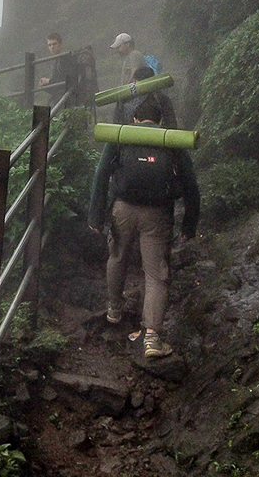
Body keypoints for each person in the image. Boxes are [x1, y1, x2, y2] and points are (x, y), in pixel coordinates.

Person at [88, 97, 200, 359]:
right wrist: (189, 224)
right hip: (158, 214)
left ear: (135, 119)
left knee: (117, 257)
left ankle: (114, 311)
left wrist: (96, 216)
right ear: (160, 120)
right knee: (155, 274)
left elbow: (101, 174)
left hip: (123, 210)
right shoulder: (170, 140)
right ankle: (152, 338)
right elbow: (190, 184)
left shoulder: (122, 135)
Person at [38, 33, 67, 103]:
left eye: (54, 44)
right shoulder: (57, 60)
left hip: (65, 99)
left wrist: (48, 81)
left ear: (60, 44)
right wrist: (44, 85)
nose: (52, 47)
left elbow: (65, 82)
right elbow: (56, 87)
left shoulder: (65, 58)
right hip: (58, 98)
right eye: (49, 45)